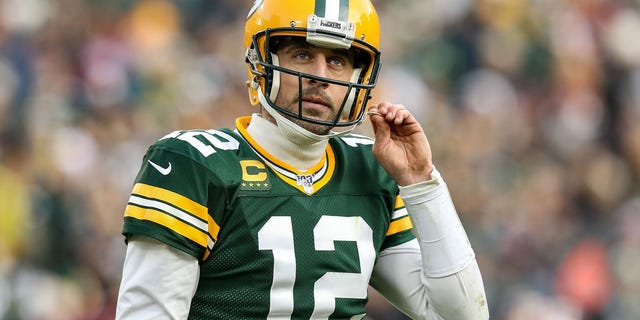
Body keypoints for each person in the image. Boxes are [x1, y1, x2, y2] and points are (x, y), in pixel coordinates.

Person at [115, 0, 489, 319]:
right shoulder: (195, 163)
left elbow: (460, 314)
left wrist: (422, 182)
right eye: (303, 54)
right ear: (261, 60)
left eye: (338, 61)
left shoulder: (371, 168)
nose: (321, 76)